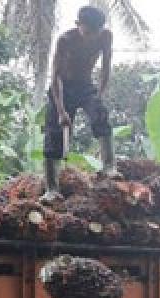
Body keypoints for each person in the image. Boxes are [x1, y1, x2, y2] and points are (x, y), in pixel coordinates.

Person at [42, 6, 117, 202]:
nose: (92, 37)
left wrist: (100, 94)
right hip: (62, 88)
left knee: (100, 113)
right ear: (78, 25)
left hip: (85, 86)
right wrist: (61, 111)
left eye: (96, 32)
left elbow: (106, 67)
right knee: (54, 134)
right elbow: (55, 76)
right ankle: (51, 189)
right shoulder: (65, 40)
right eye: (88, 32)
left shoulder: (105, 37)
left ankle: (109, 167)